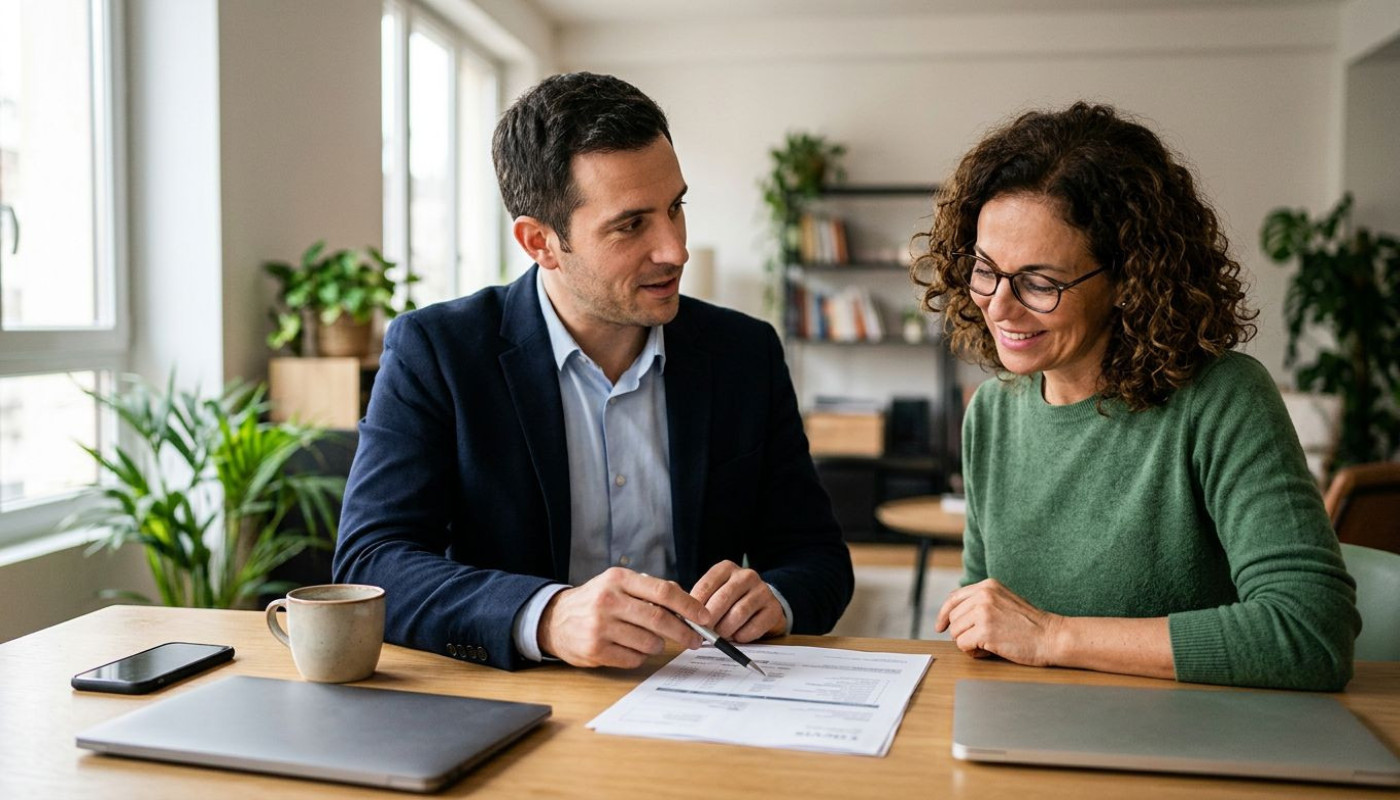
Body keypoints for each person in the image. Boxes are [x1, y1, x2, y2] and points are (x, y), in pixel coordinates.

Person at [332, 72, 853, 672]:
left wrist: (778, 599)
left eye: (676, 208)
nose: (675, 249)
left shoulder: (745, 353)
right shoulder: (437, 352)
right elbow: (371, 561)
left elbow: (816, 556)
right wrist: (547, 616)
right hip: (515, 703)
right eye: (632, 225)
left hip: (707, 698)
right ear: (540, 243)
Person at [914, 102, 1359, 691]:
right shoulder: (992, 413)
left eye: (1039, 282)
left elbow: (1310, 631)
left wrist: (1052, 637)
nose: (998, 304)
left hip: (1195, 742)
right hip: (1032, 735)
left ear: (1129, 279)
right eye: (985, 269)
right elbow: (986, 631)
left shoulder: (1222, 400)